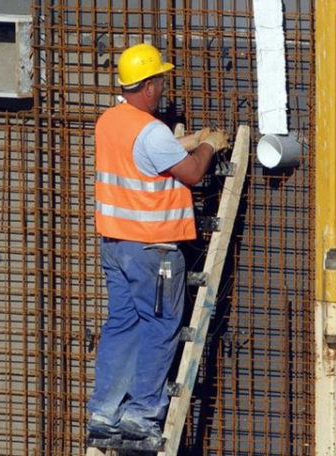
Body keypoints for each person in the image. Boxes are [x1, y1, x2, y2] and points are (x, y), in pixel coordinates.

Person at [87, 42, 228, 446]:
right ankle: (141, 415)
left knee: (122, 325)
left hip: (116, 245)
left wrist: (182, 142)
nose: (163, 87)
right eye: (160, 79)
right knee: (161, 326)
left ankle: (104, 412)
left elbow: (142, 159)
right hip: (155, 249)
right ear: (148, 85)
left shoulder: (110, 122)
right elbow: (192, 173)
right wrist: (208, 145)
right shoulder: (151, 132)